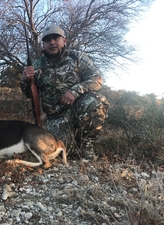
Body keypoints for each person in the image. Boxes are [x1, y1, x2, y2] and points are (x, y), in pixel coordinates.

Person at [20, 24, 109, 160]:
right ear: (43, 44)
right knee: (61, 152)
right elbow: (29, 94)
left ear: (64, 40)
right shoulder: (36, 65)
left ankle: (86, 146)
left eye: (56, 38)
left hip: (78, 108)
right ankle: (73, 143)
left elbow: (97, 79)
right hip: (55, 117)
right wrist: (24, 80)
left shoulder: (77, 58)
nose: (52, 42)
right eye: (48, 40)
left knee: (96, 101)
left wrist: (74, 91)